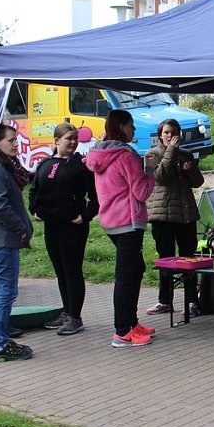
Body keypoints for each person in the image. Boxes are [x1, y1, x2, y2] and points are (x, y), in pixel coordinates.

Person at [85, 109, 158, 348]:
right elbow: (142, 192)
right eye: (131, 125)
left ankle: (132, 322)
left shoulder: (99, 153)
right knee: (126, 276)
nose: (134, 130)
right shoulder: (126, 156)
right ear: (121, 127)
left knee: (136, 268)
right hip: (128, 221)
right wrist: (150, 170)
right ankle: (122, 332)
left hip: (111, 220)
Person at [29, 123, 99, 336]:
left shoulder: (81, 165)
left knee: (72, 270)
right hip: (52, 225)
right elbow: (34, 191)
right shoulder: (45, 164)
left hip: (73, 226)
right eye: (68, 138)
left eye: (75, 138)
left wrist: (84, 216)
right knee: (60, 270)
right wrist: (35, 210)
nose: (73, 142)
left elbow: (97, 197)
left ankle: (75, 317)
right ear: (56, 140)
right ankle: (66, 311)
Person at [0, 124, 34, 361]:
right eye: (10, 140)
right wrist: (21, 228)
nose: (15, 144)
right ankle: (0, 343)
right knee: (5, 291)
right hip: (1, 239)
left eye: (15, 139)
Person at [144, 119, 205, 317]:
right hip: (162, 214)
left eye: (174, 132)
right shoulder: (151, 154)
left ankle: (191, 302)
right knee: (166, 258)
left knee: (189, 258)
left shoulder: (185, 155)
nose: (170, 136)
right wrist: (171, 151)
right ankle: (165, 301)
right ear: (160, 134)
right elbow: (161, 177)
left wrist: (190, 170)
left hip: (185, 214)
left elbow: (198, 182)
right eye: (167, 132)